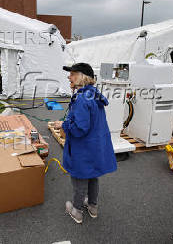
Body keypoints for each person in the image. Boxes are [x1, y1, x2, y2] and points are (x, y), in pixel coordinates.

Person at [54, 63, 117, 224]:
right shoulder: (93, 94)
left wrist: (63, 125)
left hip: (83, 148)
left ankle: (76, 210)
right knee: (93, 177)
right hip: (95, 147)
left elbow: (80, 129)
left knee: (80, 178)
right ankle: (93, 206)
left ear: (82, 77)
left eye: (73, 74)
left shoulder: (82, 99)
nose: (69, 77)